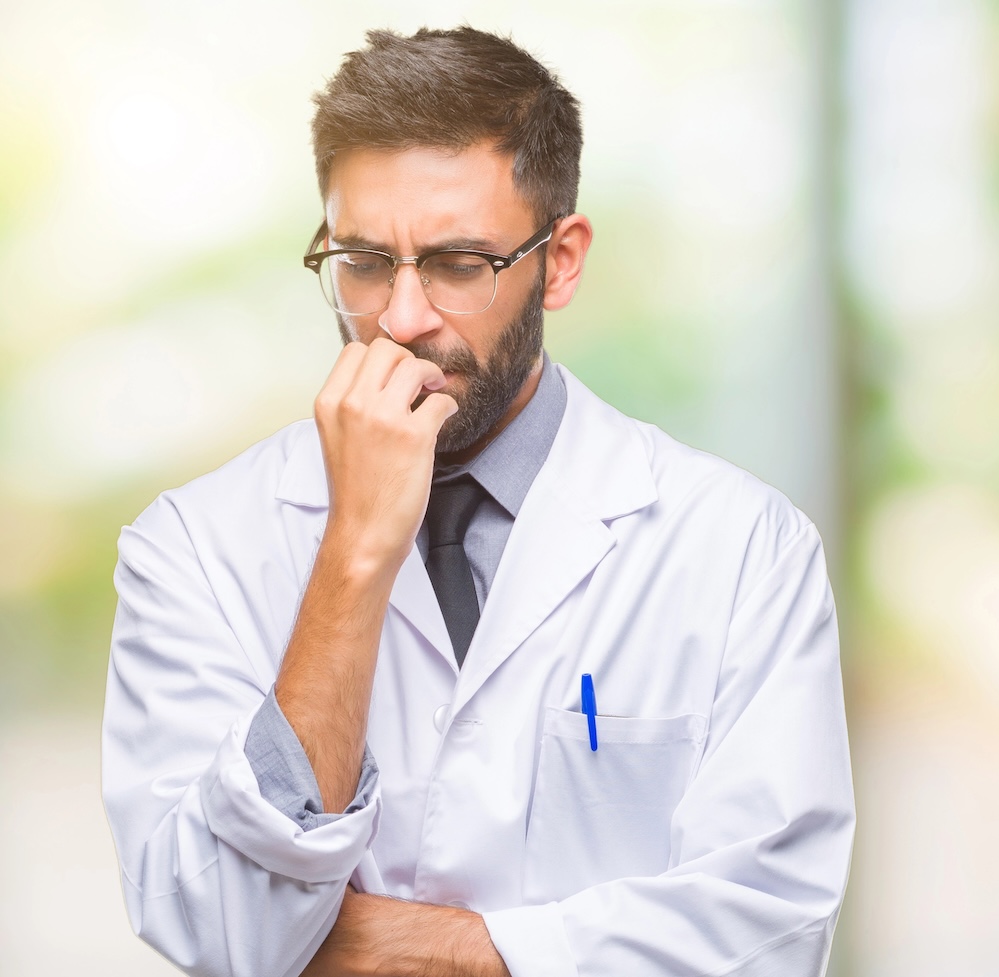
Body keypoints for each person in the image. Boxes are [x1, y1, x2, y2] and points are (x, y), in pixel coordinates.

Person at [101, 27, 854, 977]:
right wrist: (355, 556)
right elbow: (217, 927)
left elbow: (768, 934)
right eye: (364, 260)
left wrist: (415, 950)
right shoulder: (194, 549)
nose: (403, 317)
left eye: (460, 263)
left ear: (562, 259)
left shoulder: (742, 548)